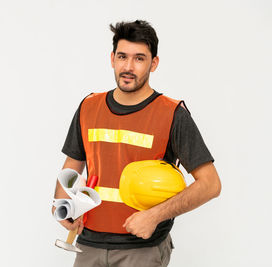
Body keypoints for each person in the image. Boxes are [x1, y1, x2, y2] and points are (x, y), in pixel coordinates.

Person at [52, 20, 221, 267]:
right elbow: (72, 165)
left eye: (139, 59)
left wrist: (155, 216)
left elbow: (211, 184)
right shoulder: (89, 107)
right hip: (88, 245)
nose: (128, 67)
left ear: (154, 63)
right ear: (112, 59)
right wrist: (61, 206)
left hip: (141, 250)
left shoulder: (172, 114)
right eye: (122, 56)